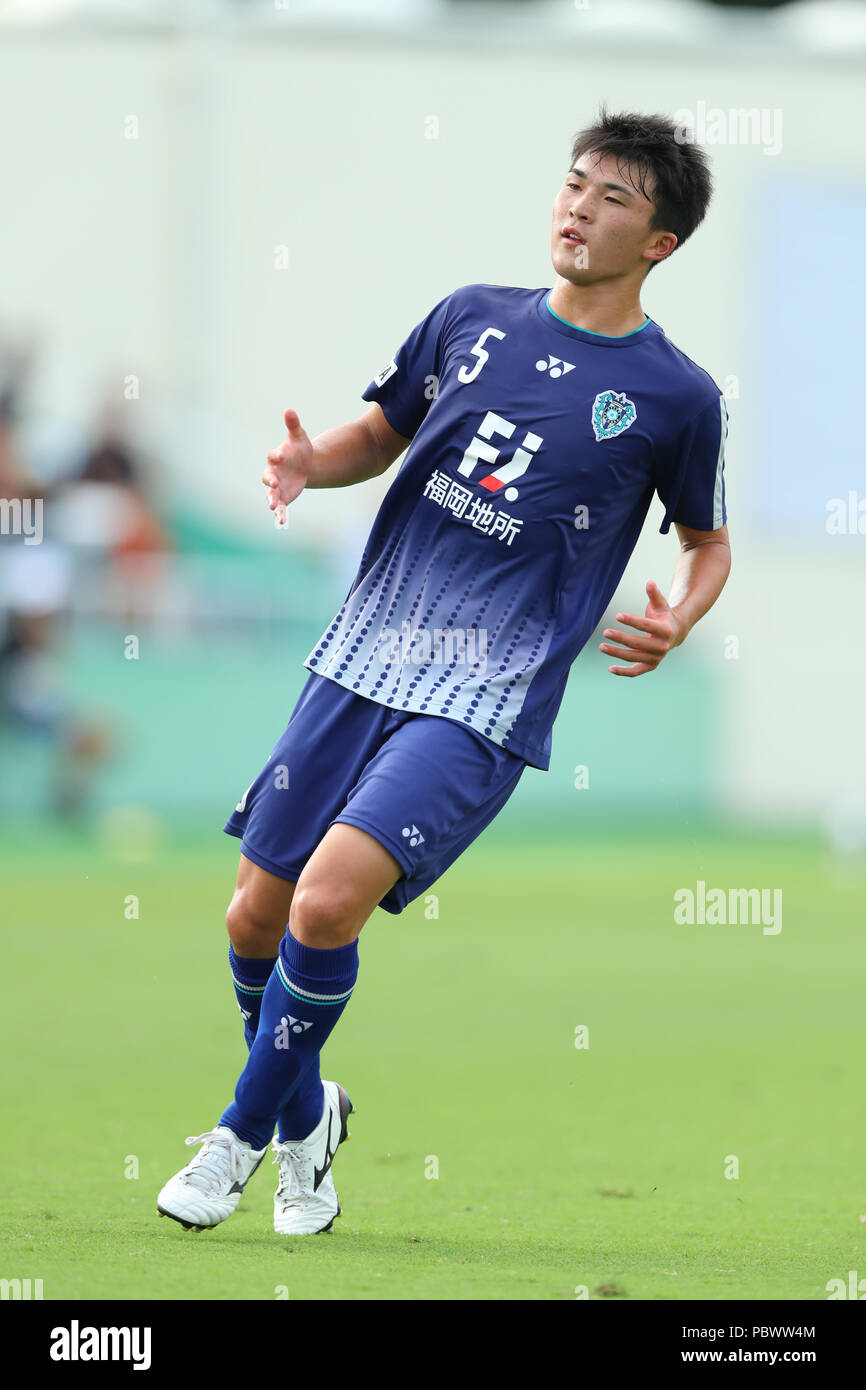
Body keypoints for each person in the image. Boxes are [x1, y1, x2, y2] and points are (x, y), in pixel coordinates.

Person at [157, 108, 732, 1237]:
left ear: (656, 241)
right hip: (362, 655)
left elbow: (703, 543)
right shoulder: (469, 317)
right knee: (251, 918)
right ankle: (305, 1116)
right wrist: (310, 461)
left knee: (327, 902)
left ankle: (236, 1139)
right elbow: (381, 431)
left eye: (612, 197)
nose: (578, 207)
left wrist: (679, 614)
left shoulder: (676, 396)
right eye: (573, 184)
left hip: (482, 693)